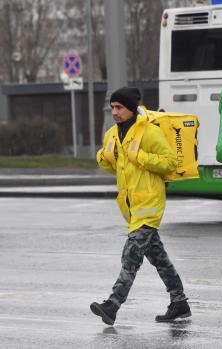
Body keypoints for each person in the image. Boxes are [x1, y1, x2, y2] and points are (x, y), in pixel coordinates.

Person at [90, 87, 191, 325]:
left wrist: (141, 157)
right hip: (131, 207)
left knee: (131, 255)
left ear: (131, 109)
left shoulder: (149, 132)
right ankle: (179, 302)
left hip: (149, 204)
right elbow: (110, 165)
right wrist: (104, 157)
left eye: (119, 107)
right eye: (112, 107)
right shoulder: (113, 134)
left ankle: (112, 305)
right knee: (159, 258)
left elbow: (170, 163)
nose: (114, 112)